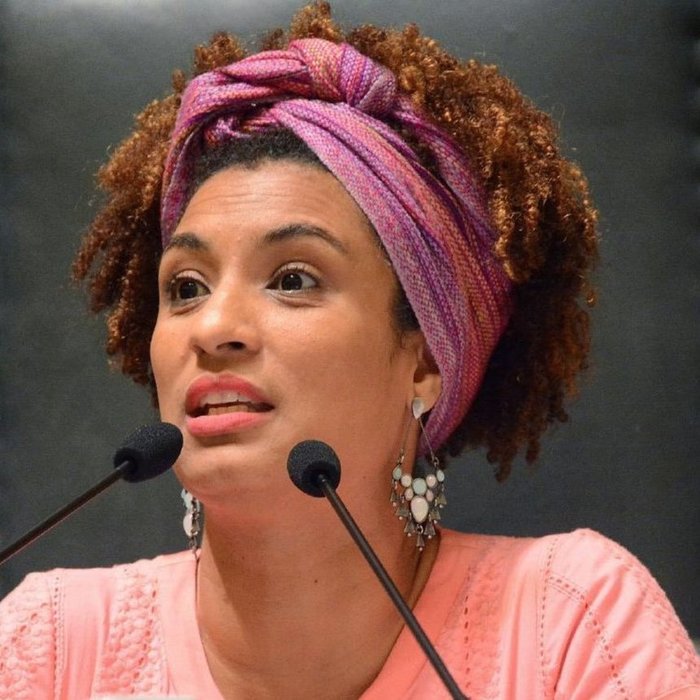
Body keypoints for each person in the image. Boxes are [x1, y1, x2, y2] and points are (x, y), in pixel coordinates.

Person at [1, 3, 698, 698]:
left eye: (293, 279)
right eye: (186, 288)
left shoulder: (568, 628)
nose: (213, 327)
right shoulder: (51, 647)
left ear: (424, 363)